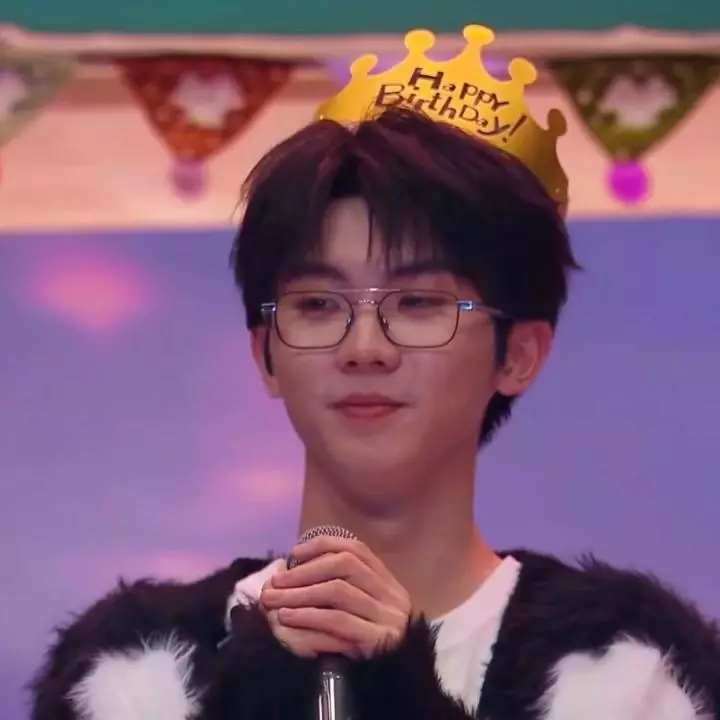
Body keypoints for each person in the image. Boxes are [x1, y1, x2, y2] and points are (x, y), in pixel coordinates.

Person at [31, 25, 719, 720]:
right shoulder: (135, 676)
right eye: (319, 304)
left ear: (518, 354)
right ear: (265, 353)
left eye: (418, 303)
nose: (365, 346)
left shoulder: (623, 675)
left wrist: (405, 692)